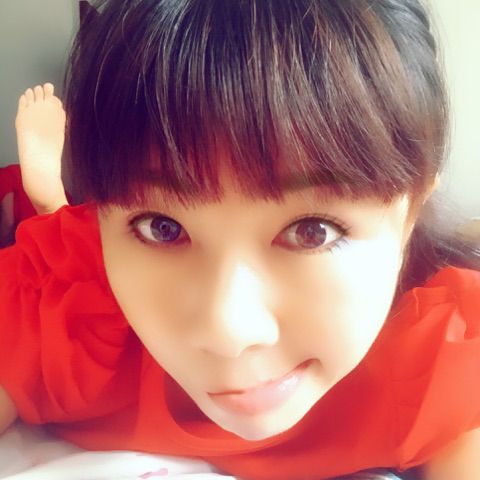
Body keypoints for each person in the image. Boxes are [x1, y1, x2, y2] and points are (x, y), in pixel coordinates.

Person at [0, 1, 479, 479]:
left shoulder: (443, 365)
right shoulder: (71, 317)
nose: (228, 333)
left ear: (410, 213)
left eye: (312, 231)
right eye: (162, 227)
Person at [0, 83, 68, 247]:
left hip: (30, 230)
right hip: (68, 207)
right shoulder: (11, 171)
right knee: (65, 241)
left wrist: (4, 245)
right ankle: (53, 206)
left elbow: (8, 222)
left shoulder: (3, 176)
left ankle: (52, 208)